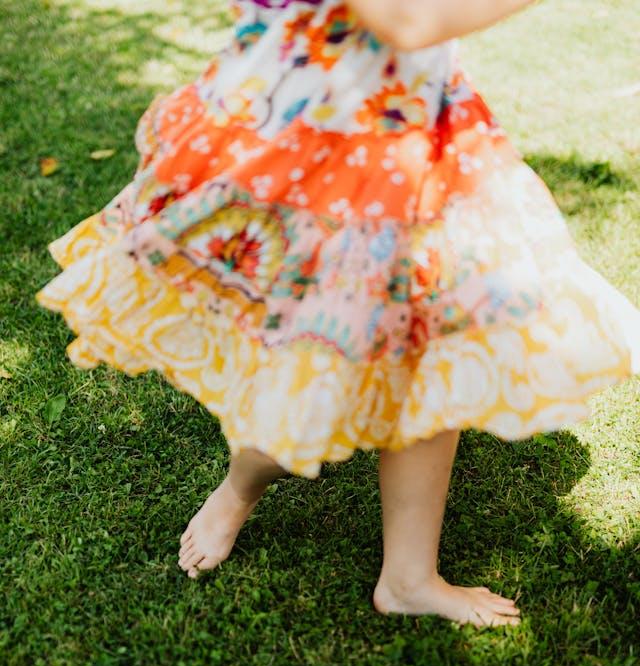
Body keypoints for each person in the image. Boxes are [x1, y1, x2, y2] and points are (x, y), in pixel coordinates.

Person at [36, 0, 640, 626]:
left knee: (436, 344)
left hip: (407, 130)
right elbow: (404, 18)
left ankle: (408, 577)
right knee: (305, 369)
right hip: (319, 152)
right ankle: (241, 487)